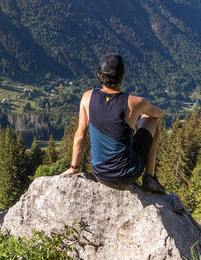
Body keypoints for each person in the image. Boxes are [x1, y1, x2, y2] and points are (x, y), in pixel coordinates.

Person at [61, 54, 167, 193]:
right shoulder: (134, 102)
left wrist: (74, 167)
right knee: (152, 120)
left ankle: (148, 176)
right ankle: (150, 177)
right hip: (128, 175)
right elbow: (159, 114)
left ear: (98, 76)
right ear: (122, 77)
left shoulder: (87, 97)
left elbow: (80, 135)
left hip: (100, 174)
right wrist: (142, 110)